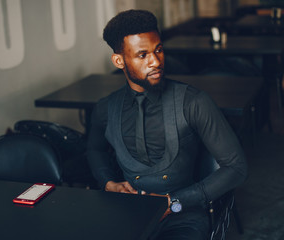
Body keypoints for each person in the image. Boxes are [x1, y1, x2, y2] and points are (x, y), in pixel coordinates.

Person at [87, 9, 247, 240]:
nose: (155, 61)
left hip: (182, 213)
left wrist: (175, 201)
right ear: (119, 60)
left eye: (158, 50)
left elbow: (237, 167)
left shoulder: (194, 102)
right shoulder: (106, 108)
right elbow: (94, 148)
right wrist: (107, 181)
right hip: (129, 211)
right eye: (142, 55)